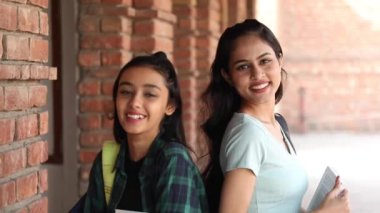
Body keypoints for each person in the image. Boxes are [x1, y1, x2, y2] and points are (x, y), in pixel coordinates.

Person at [201, 19, 350, 213]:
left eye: (265, 61)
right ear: (228, 76)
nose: (257, 73)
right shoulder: (248, 135)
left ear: (279, 60)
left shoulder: (275, 125)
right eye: (243, 67)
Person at [71, 51, 209, 213]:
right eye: (126, 92)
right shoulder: (108, 159)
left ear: (170, 106)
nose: (135, 102)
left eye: (150, 94)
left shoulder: (173, 158)